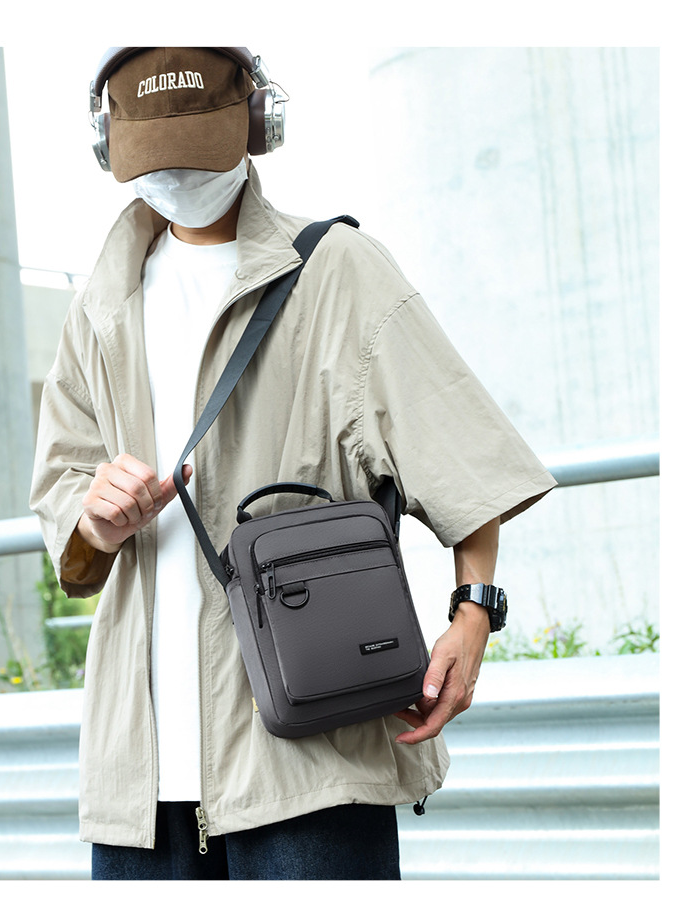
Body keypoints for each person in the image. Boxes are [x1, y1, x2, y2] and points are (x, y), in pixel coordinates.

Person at [30, 46, 556, 881]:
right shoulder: (99, 306)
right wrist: (94, 518)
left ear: (257, 123)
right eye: (154, 155)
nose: (176, 173)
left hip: (312, 763)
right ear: (110, 147)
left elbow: (459, 451)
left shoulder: (337, 270)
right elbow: (63, 496)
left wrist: (474, 613)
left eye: (195, 147)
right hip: (139, 779)